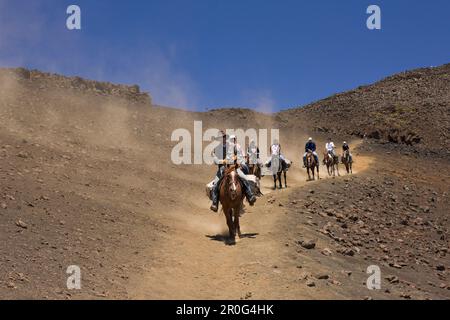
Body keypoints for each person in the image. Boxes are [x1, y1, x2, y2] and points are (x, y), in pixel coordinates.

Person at [210, 132, 256, 212]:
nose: (223, 139)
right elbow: (215, 160)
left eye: (224, 137)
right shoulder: (216, 148)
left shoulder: (232, 146)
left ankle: (250, 195)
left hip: (233, 167)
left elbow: (238, 154)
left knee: (244, 179)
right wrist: (222, 161)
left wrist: (236, 159)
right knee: (215, 185)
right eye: (222, 137)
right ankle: (215, 203)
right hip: (222, 169)